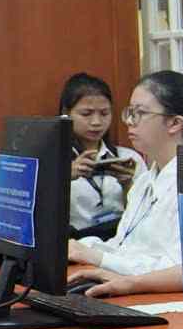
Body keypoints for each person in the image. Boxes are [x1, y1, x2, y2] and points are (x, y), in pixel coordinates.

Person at [67, 71, 183, 297]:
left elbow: (180, 268)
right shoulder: (146, 179)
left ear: (174, 123)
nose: (129, 122)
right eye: (129, 113)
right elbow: (124, 246)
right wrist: (83, 247)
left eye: (140, 114)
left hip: (163, 301)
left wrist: (96, 257)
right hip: (131, 291)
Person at [59, 72, 140, 239]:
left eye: (104, 113)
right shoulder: (53, 162)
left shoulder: (129, 157)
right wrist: (64, 176)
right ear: (66, 114)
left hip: (122, 243)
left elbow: (145, 216)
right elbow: (36, 214)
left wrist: (127, 185)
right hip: (75, 244)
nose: (96, 122)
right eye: (86, 114)